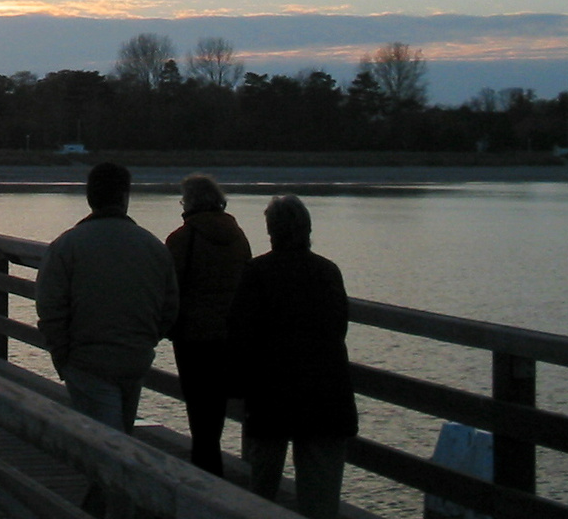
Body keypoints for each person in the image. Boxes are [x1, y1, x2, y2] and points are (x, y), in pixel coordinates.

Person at [36, 162, 179, 515]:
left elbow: (50, 307)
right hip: (134, 360)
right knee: (118, 442)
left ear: (90, 198)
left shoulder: (67, 245)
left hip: (87, 363)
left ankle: (113, 509)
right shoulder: (152, 246)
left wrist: (62, 355)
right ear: (125, 196)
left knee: (110, 451)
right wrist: (145, 339)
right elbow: (170, 306)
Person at [228, 195, 358, 519]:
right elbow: (338, 327)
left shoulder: (257, 272)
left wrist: (237, 388)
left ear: (272, 231)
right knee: (321, 499)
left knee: (260, 493)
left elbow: (240, 334)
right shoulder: (328, 272)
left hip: (271, 397)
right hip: (325, 396)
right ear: (307, 229)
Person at [164, 173, 251, 477]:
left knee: (198, 409)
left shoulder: (182, 238)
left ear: (189, 202)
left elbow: (169, 288)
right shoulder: (238, 236)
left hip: (193, 337)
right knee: (216, 409)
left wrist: (163, 326)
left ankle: (205, 474)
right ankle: (213, 468)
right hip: (229, 337)